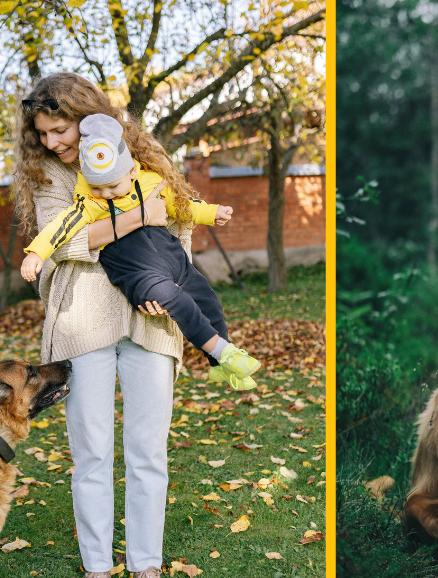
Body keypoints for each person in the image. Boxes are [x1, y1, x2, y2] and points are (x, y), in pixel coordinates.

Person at [11, 72, 191, 578]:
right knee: (91, 453)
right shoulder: (47, 173)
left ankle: (146, 566)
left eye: (59, 129)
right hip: (80, 319)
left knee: (147, 451)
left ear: (90, 119)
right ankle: (97, 569)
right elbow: (62, 240)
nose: (52, 143)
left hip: (149, 317)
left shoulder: (144, 154)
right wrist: (140, 216)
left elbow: (178, 223)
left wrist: (165, 281)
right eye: (42, 134)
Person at [20, 113, 261, 390]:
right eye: (97, 187)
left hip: (174, 261)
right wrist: (36, 253)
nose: (107, 193)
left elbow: (183, 205)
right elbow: (57, 230)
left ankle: (218, 364)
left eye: (113, 186)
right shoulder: (89, 204)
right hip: (140, 277)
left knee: (209, 302)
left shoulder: (150, 184)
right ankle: (224, 352)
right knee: (178, 301)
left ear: (132, 171)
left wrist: (212, 212)